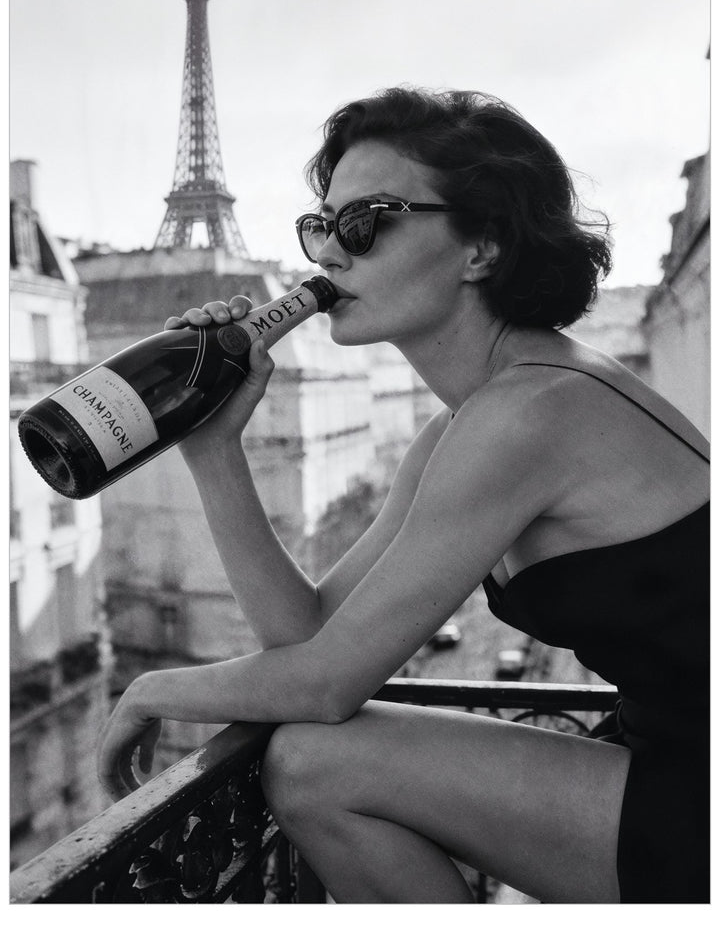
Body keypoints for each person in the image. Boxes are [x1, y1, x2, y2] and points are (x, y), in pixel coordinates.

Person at [97, 88, 709, 903]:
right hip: (660, 750)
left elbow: (324, 684)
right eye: (323, 225)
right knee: (314, 763)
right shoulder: (471, 422)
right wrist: (214, 449)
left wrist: (152, 687)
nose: (330, 255)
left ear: (481, 248)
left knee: (315, 765)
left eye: (367, 221)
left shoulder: (531, 413)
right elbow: (308, 634)